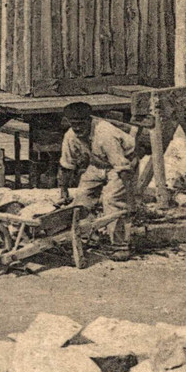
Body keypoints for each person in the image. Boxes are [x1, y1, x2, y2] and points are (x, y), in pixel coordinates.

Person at [57, 101, 137, 261]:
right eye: (74, 124)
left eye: (81, 124)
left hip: (123, 164)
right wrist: (63, 191)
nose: (77, 128)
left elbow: (122, 168)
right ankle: (88, 236)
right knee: (82, 197)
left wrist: (130, 197)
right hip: (97, 164)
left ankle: (121, 246)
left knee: (112, 200)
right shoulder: (70, 136)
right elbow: (66, 166)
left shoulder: (105, 134)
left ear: (89, 120)